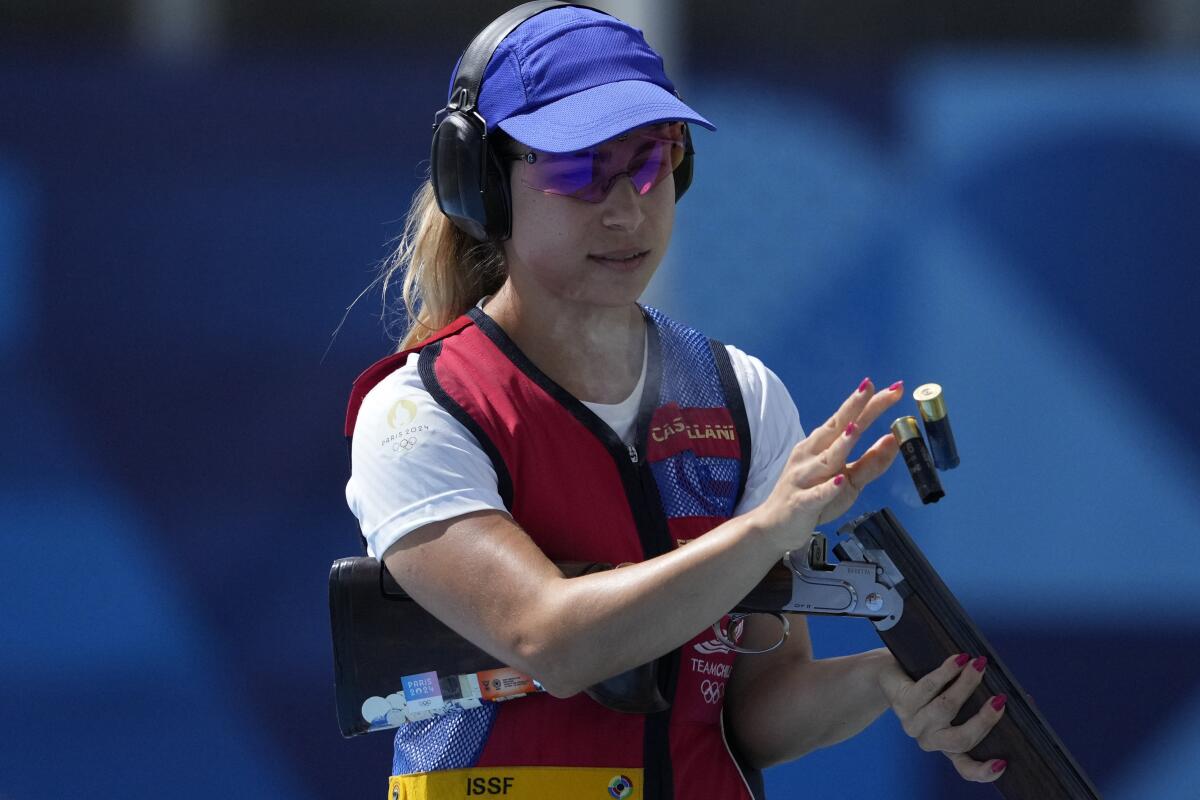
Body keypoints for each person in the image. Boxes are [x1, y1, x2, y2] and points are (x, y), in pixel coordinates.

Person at [344, 3, 1007, 798]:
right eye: (579, 168)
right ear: (482, 183)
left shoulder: (741, 395)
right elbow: (550, 640)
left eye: (652, 161)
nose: (626, 209)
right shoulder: (420, 410)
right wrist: (765, 532)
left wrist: (886, 684)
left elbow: (754, 709)